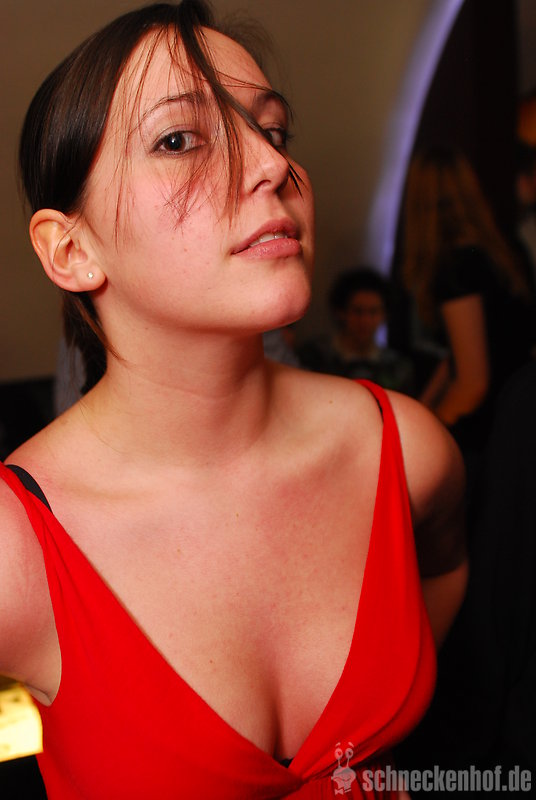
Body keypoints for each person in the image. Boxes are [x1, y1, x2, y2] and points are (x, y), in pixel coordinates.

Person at [0, 3, 467, 797]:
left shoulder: (405, 450)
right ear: (70, 250)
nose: (272, 164)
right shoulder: (19, 554)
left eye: (273, 130)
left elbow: (444, 574)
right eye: (179, 140)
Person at [400, 144, 535, 464]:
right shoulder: (504, 249)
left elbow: (472, 383)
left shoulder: (456, 267)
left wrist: (420, 437)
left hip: (492, 431)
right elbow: (461, 355)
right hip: (520, 408)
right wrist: (420, 411)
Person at [298, 267, 415, 393]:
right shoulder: (314, 357)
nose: (365, 321)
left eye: (373, 312)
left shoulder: (398, 368)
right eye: (358, 311)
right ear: (341, 313)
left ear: (384, 315)